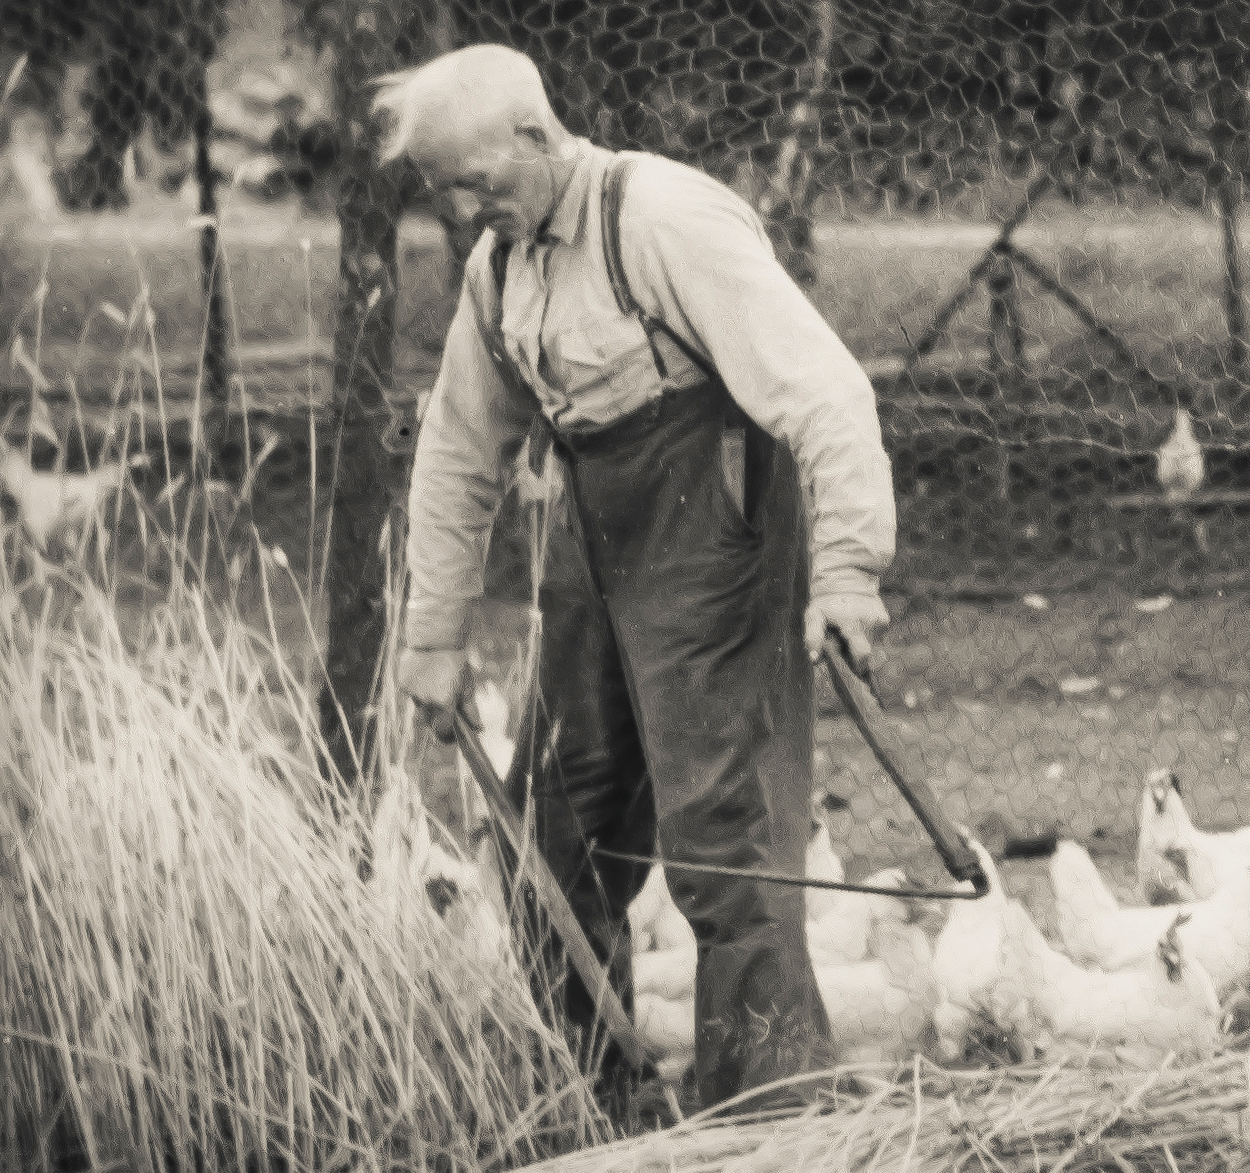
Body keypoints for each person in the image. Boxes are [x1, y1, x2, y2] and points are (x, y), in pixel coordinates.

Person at [377, 44, 897, 1112]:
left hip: (714, 547)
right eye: (446, 195)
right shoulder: (498, 272)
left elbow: (826, 393)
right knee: (549, 838)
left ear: (534, 133)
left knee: (727, 851)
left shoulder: (662, 220)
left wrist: (846, 570)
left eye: (479, 181)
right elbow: (459, 449)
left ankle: (772, 1119)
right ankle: (576, 1100)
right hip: (591, 553)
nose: (470, 210)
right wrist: (432, 639)